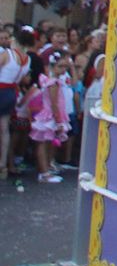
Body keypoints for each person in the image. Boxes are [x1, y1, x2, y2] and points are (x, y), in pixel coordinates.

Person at [27, 51, 72, 183]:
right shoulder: (53, 83)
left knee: (46, 143)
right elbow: (54, 103)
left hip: (50, 114)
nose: (63, 69)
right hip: (49, 115)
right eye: (60, 66)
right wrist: (58, 121)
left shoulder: (51, 81)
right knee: (42, 143)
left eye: (65, 66)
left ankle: (46, 169)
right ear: (52, 67)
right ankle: (44, 172)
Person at [0, 25, 26, 180]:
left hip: (2, 90)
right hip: (10, 92)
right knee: (4, 129)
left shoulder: (6, 54)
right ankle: (2, 163)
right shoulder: (21, 57)